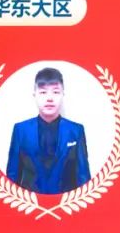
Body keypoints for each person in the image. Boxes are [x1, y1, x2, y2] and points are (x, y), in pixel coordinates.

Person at [5, 66, 91, 195]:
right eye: (43, 92)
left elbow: (83, 179)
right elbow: (12, 179)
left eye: (55, 92)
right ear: (35, 95)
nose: (49, 98)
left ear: (63, 95)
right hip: (30, 204)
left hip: (66, 204)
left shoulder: (76, 131)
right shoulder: (20, 130)